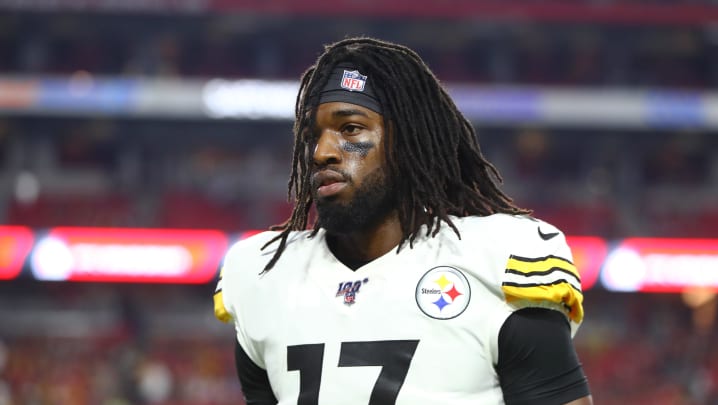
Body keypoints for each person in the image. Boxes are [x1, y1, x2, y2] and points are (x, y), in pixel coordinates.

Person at [214, 37, 592, 405]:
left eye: (350, 129)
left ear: (407, 142)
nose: (321, 152)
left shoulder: (497, 259)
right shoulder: (263, 273)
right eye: (313, 136)